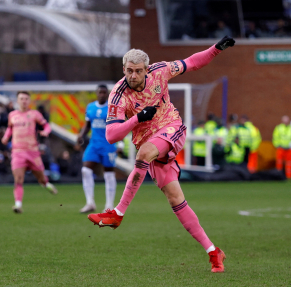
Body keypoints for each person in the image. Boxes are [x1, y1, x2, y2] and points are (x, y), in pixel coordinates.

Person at [87, 36, 236, 273]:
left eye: (138, 71)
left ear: (147, 69)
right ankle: (213, 251)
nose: (133, 76)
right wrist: (137, 118)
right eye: (129, 71)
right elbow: (111, 135)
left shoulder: (161, 71)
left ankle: (117, 213)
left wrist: (216, 49)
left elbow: (192, 63)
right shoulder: (118, 94)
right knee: (176, 200)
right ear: (123, 69)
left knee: (144, 153)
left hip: (171, 128)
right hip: (150, 144)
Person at [2, 91, 57, 214]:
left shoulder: (34, 114)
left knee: (41, 178)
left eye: (26, 99)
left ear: (29, 101)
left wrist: (46, 132)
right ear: (17, 100)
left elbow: (46, 126)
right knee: (18, 179)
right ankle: (18, 204)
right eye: (21, 99)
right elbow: (10, 128)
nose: (24, 101)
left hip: (32, 151)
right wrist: (6, 137)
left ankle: (47, 184)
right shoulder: (12, 115)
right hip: (17, 151)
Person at [77, 85, 118, 213]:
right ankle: (90, 202)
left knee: (109, 174)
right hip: (94, 144)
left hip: (108, 145)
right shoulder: (90, 107)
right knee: (85, 170)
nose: (102, 94)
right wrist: (81, 135)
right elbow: (88, 125)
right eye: (100, 92)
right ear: (96, 93)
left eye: (104, 92)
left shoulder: (112, 109)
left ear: (107, 94)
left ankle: (109, 205)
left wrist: (120, 144)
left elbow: (118, 127)